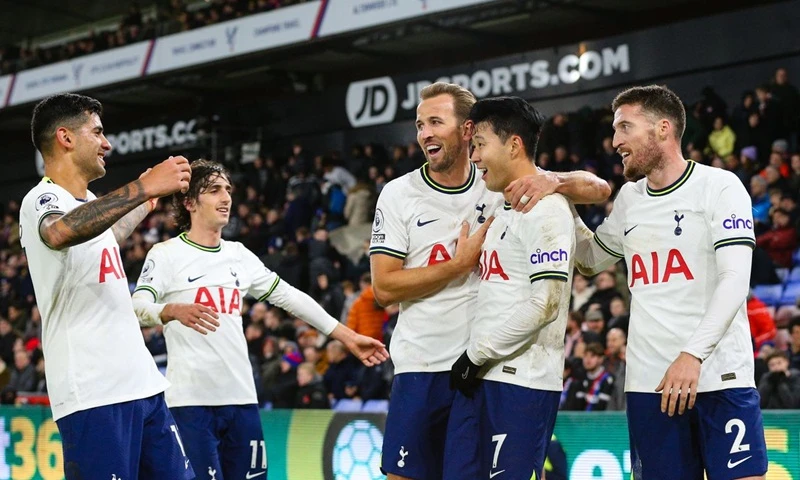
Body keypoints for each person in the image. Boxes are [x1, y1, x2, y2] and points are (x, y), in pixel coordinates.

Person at [370, 82, 610, 480]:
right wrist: (456, 265)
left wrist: (555, 181)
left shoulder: (501, 181)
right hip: (423, 364)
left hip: (485, 369)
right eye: (418, 125)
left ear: (467, 130)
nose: (424, 133)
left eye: (435, 121)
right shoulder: (398, 195)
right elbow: (383, 289)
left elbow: (599, 189)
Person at [131, 159, 388, 480]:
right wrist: (168, 311)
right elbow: (137, 305)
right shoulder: (166, 254)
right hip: (191, 403)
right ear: (189, 202)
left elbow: (291, 298)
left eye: (228, 190)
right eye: (214, 191)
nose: (226, 198)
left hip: (242, 400)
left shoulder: (239, 254)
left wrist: (346, 336)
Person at [570, 85, 767, 479]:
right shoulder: (629, 198)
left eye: (625, 127)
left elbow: (734, 281)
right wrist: (561, 202)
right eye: (614, 130)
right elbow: (590, 260)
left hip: (718, 373)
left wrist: (692, 354)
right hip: (650, 385)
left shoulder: (720, 186)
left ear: (663, 128)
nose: (615, 141)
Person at [20, 93, 194, 479]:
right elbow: (62, 230)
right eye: (97, 132)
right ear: (65, 138)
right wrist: (144, 187)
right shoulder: (41, 199)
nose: (106, 143)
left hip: (142, 385)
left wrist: (147, 204)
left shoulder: (92, 203)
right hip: (94, 392)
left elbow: (108, 234)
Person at [445, 96, 575, 479]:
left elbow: (546, 303)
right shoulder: (503, 207)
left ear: (514, 144)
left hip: (522, 382)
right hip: (481, 378)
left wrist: (475, 355)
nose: (475, 157)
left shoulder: (548, 209)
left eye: (481, 145)